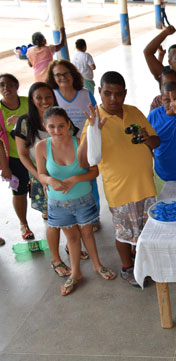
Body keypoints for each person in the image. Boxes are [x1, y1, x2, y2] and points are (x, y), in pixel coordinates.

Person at [77, 71, 160, 287]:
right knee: (125, 234)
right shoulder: (94, 120)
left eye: (118, 94)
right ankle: (126, 267)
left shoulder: (134, 112)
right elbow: (84, 161)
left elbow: (156, 141)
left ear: (124, 93)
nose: (113, 99)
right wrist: (93, 129)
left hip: (145, 185)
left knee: (144, 230)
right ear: (99, 92)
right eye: (107, 93)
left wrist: (147, 138)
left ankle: (140, 260)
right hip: (120, 191)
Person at [35, 107, 115, 295]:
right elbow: (40, 174)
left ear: (69, 124)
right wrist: (49, 180)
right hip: (58, 203)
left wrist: (75, 179)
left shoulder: (79, 142)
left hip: (83, 199)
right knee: (71, 237)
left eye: (61, 125)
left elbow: (94, 171)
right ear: (45, 126)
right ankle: (76, 272)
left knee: (87, 233)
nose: (57, 130)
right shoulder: (41, 147)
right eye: (52, 126)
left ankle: (97, 265)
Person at [12, 82, 74, 277]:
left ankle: (70, 248)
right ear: (32, 100)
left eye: (48, 97)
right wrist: (39, 176)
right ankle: (56, 260)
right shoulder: (24, 122)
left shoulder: (59, 116)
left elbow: (71, 142)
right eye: (39, 97)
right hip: (42, 178)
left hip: (64, 177)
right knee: (53, 220)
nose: (44, 101)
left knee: (69, 216)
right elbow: (22, 154)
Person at [46, 59, 102, 232]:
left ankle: (93, 217)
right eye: (58, 75)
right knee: (65, 183)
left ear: (73, 74)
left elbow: (96, 117)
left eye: (66, 73)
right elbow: (43, 116)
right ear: (53, 78)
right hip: (61, 148)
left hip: (84, 146)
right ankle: (71, 220)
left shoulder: (85, 94)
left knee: (89, 180)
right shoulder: (52, 96)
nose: (63, 77)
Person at [0, 74, 33, 240]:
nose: (6, 88)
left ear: (16, 85)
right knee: (19, 192)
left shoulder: (28, 102)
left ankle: (46, 211)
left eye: (9, 84)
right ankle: (24, 224)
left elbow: (40, 121)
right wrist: (5, 167)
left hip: (34, 155)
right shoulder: (0, 110)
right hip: (14, 157)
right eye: (1, 85)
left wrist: (20, 119)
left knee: (42, 186)